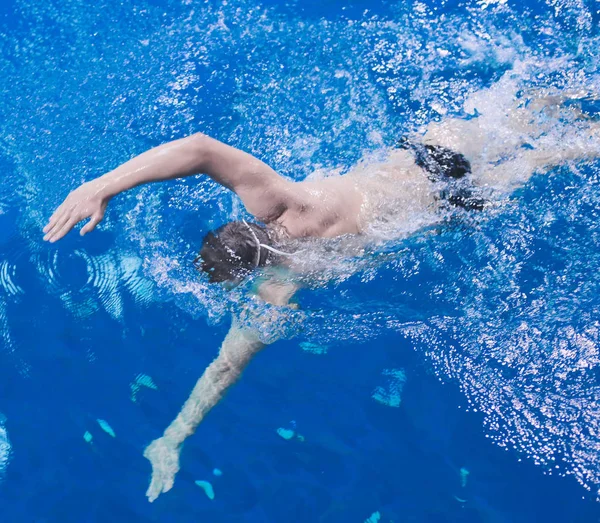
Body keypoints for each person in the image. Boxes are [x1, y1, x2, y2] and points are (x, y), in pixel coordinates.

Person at [42, 87, 599, 502]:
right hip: (426, 155)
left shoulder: (282, 287)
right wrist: (100, 185)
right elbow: (199, 148)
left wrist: (173, 437)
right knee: (518, 110)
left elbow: (224, 369)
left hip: (452, 205)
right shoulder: (287, 202)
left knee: (541, 160)